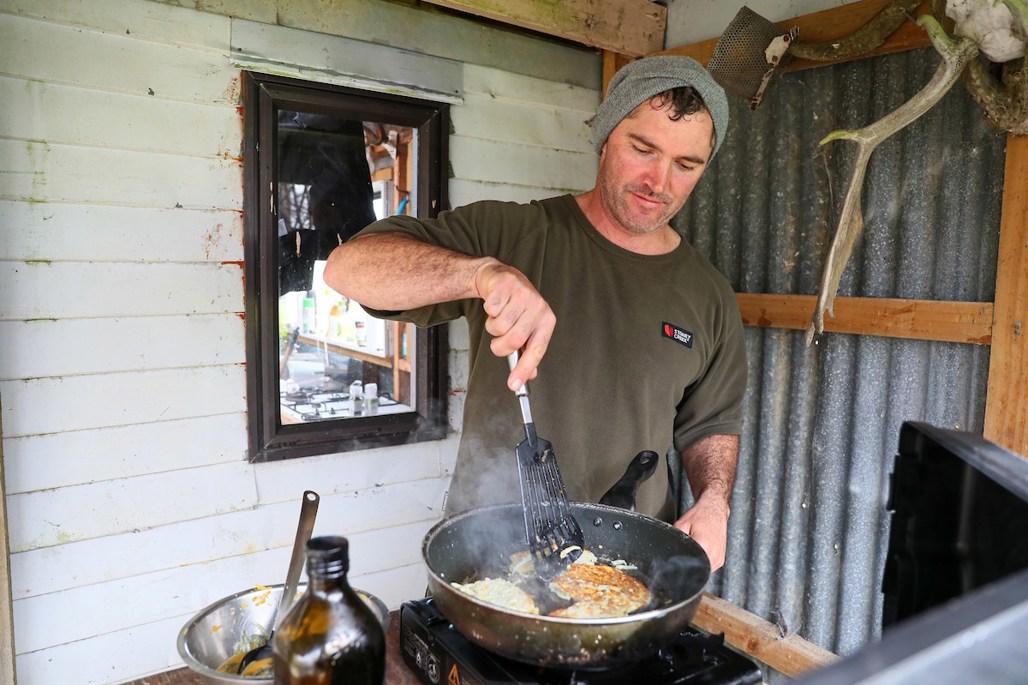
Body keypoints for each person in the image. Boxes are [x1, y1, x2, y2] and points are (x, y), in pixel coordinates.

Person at [323, 56, 747, 571]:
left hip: (632, 566)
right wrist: (481, 273)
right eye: (643, 149)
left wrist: (714, 500)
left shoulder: (708, 295)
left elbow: (711, 422)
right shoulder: (511, 235)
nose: (659, 181)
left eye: (686, 165)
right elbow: (348, 268)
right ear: (606, 137)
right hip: (490, 556)